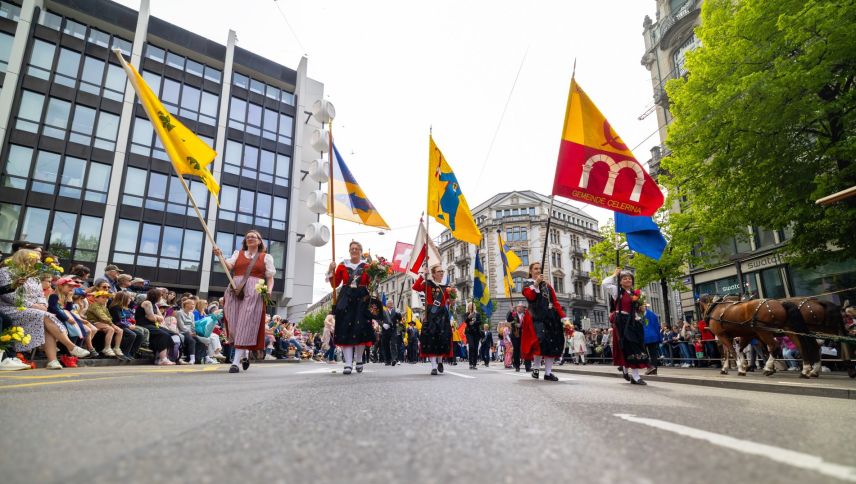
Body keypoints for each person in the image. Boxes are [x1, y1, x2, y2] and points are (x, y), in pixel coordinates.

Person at [214, 230, 275, 374]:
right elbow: (228, 267)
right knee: (234, 326)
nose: (250, 238)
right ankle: (245, 354)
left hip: (255, 291)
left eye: (253, 237)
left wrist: (269, 290)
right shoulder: (238, 253)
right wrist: (220, 255)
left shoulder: (266, 257)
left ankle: (235, 363)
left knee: (244, 324)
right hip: (235, 289)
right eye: (247, 237)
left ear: (259, 241)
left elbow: (270, 277)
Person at [326, 241, 375, 375]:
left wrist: (377, 274)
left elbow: (371, 283)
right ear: (349, 251)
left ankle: (359, 359)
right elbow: (334, 284)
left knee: (361, 329)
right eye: (352, 248)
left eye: (356, 249)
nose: (354, 250)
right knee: (345, 329)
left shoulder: (367, 266)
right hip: (346, 298)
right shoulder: (342, 265)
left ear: (360, 251)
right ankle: (348, 363)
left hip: (362, 299)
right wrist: (331, 270)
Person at [603, 268, 649, 385]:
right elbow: (605, 283)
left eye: (629, 278)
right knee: (630, 347)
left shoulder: (635, 294)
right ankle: (635, 375)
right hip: (623, 322)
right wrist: (614, 274)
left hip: (634, 322)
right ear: (620, 282)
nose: (627, 280)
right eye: (624, 278)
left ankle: (628, 370)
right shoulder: (617, 291)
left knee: (637, 347)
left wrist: (642, 309)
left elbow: (639, 311)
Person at [521, 262, 566, 381]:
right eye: (535, 269)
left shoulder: (547, 285)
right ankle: (536, 368)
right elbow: (530, 297)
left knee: (551, 344)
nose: (538, 270)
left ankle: (548, 372)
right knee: (538, 342)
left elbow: (555, 302)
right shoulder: (527, 284)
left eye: (539, 268)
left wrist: (564, 318)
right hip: (535, 317)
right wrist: (536, 283)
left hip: (549, 317)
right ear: (531, 271)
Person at [412, 263, 455, 375]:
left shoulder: (446, 287)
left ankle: (440, 361)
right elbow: (415, 287)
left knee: (442, 338)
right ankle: (433, 366)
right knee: (431, 339)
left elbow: (450, 302)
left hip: (442, 315)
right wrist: (422, 275)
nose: (441, 273)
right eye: (439, 271)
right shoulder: (428, 284)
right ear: (434, 274)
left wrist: (453, 296)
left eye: (442, 271)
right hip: (431, 313)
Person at [135, 288, 176, 365]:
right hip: (144, 324)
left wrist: (155, 317)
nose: (161, 297)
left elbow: (161, 318)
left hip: (152, 325)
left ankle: (166, 357)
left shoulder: (155, 305)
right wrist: (155, 317)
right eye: (160, 296)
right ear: (156, 296)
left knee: (172, 333)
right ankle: (162, 359)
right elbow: (151, 318)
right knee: (164, 335)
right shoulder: (147, 303)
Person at [85, 290, 126, 359]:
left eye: (107, 298)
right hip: (93, 322)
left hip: (103, 323)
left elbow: (109, 317)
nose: (105, 299)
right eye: (103, 297)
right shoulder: (95, 306)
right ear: (96, 298)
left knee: (120, 330)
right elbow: (102, 317)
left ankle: (116, 348)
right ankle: (107, 348)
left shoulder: (104, 307)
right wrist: (112, 324)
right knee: (110, 329)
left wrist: (110, 323)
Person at [108, 291, 142, 360]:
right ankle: (124, 352)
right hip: (116, 325)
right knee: (131, 334)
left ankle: (131, 353)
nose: (130, 300)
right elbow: (118, 320)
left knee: (139, 334)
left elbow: (124, 320)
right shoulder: (115, 308)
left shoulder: (121, 308)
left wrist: (130, 324)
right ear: (123, 299)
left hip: (123, 325)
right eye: (128, 298)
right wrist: (128, 326)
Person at [505, 302, 530, 372]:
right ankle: (517, 366)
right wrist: (510, 311)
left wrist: (521, 326)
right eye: (518, 307)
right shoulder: (513, 314)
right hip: (515, 335)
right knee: (516, 350)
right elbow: (508, 319)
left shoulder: (525, 315)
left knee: (526, 350)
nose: (520, 308)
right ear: (516, 308)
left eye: (521, 307)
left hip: (524, 335)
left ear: (523, 308)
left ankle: (528, 366)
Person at [642, 304, 661, 375]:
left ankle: (649, 366)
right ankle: (654, 369)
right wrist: (658, 337)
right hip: (654, 336)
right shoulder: (653, 314)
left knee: (643, 353)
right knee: (653, 354)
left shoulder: (640, 315)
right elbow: (657, 326)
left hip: (645, 336)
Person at [381, 300, 401, 366]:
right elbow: (378, 319)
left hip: (393, 330)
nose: (391, 304)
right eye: (389, 303)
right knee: (385, 345)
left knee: (393, 344)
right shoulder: (383, 310)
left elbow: (399, 319)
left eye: (392, 303)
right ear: (387, 304)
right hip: (385, 330)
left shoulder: (395, 310)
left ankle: (394, 359)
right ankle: (387, 360)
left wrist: (398, 313)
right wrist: (382, 324)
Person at [464, 302, 482, 370]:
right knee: (471, 347)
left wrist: (474, 322)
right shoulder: (466, 314)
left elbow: (480, 322)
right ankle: (470, 363)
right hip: (469, 332)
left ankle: (474, 363)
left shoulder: (477, 314)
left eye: (472, 306)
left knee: (475, 348)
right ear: (468, 307)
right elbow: (465, 321)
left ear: (474, 307)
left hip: (476, 333)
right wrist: (469, 317)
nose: (471, 307)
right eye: (469, 306)